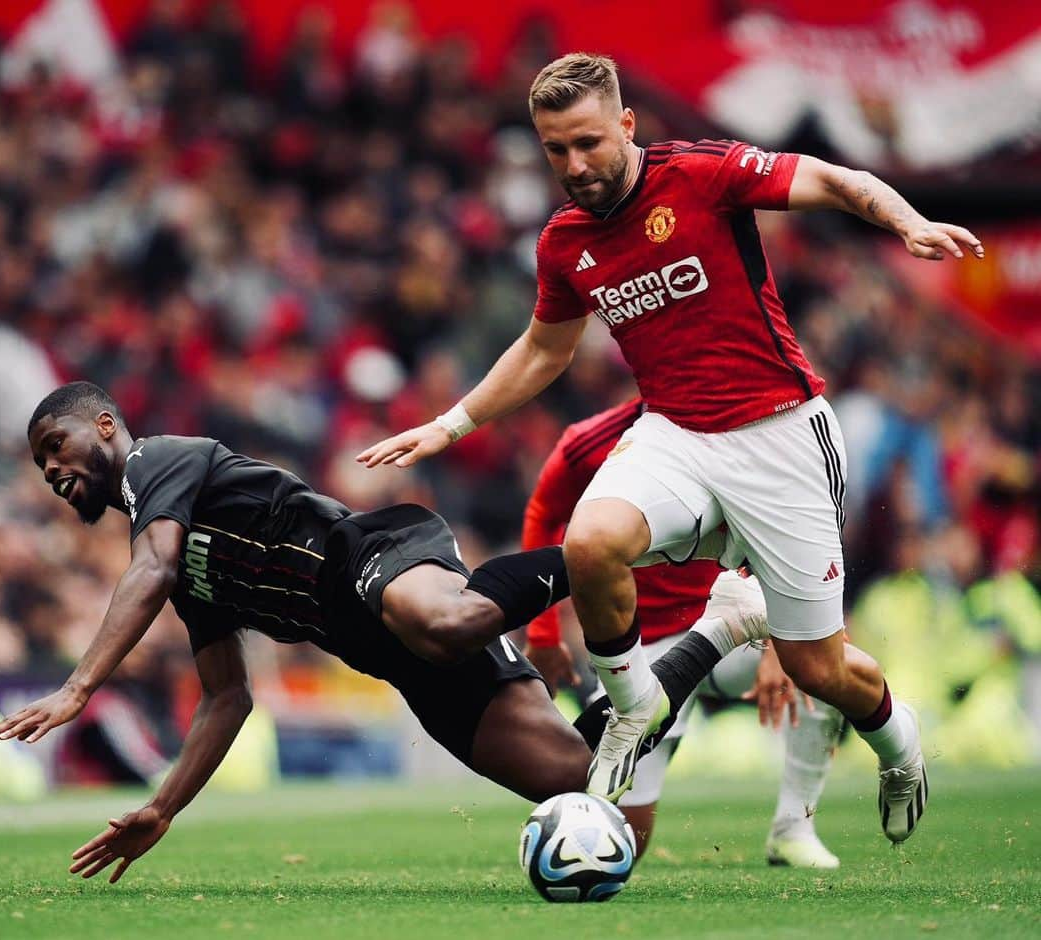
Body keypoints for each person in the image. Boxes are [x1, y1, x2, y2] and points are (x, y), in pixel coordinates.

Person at [358, 52, 984, 842]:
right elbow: (543, 351)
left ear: (626, 124)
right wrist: (450, 424)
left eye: (588, 142)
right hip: (675, 432)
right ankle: (635, 706)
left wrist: (907, 222)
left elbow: (829, 179)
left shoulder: (703, 176)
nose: (575, 165)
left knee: (816, 668)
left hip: (780, 434)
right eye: (556, 150)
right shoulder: (565, 243)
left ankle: (899, 744)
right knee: (588, 544)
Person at [0, 381, 592, 883]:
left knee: (447, 623)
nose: (50, 468)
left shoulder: (158, 460)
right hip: (389, 657)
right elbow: (228, 697)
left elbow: (152, 566)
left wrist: (77, 688)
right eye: (41, 462)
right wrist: (161, 808)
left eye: (56, 445)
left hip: (372, 556)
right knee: (579, 782)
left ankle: (593, 554)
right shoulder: (182, 568)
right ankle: (669, 674)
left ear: (105, 425)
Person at [524, 398, 844, 867]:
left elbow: (786, 538)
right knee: (621, 843)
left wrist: (781, 641)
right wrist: (545, 631)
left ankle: (794, 826)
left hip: (732, 625)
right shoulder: (587, 442)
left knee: (824, 665)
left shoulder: (745, 432)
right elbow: (543, 511)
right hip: (643, 653)